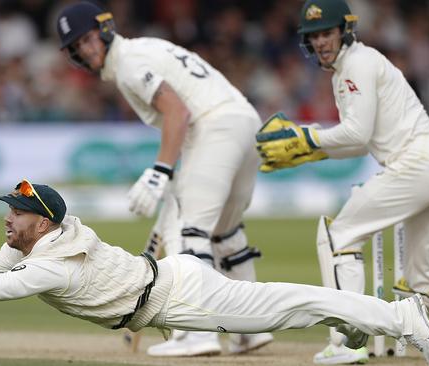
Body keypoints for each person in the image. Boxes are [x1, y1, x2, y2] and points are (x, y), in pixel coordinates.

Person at [0, 179, 429, 366]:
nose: (6, 220)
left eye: (15, 213)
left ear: (41, 225)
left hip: (178, 297)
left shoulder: (51, 267)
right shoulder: (47, 240)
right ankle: (368, 322)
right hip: (172, 281)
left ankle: (401, 315)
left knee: (294, 305)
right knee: (294, 305)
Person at [255, 0, 429, 364]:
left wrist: (307, 138)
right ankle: (353, 340)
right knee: (422, 279)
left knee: (338, 236)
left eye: (327, 33)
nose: (321, 42)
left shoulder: (356, 63)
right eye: (314, 36)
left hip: (417, 163)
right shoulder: (352, 67)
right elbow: (358, 142)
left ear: (345, 30)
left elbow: (357, 133)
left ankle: (347, 343)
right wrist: (310, 149)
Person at [55, 1, 271, 357]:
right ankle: (249, 329)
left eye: (88, 39)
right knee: (225, 232)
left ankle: (198, 332)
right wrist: (176, 169)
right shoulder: (143, 48)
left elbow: (178, 111)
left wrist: (160, 171)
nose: (85, 50)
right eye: (77, 46)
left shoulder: (128, 63)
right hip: (245, 123)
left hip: (215, 126)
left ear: (105, 29)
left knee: (190, 231)